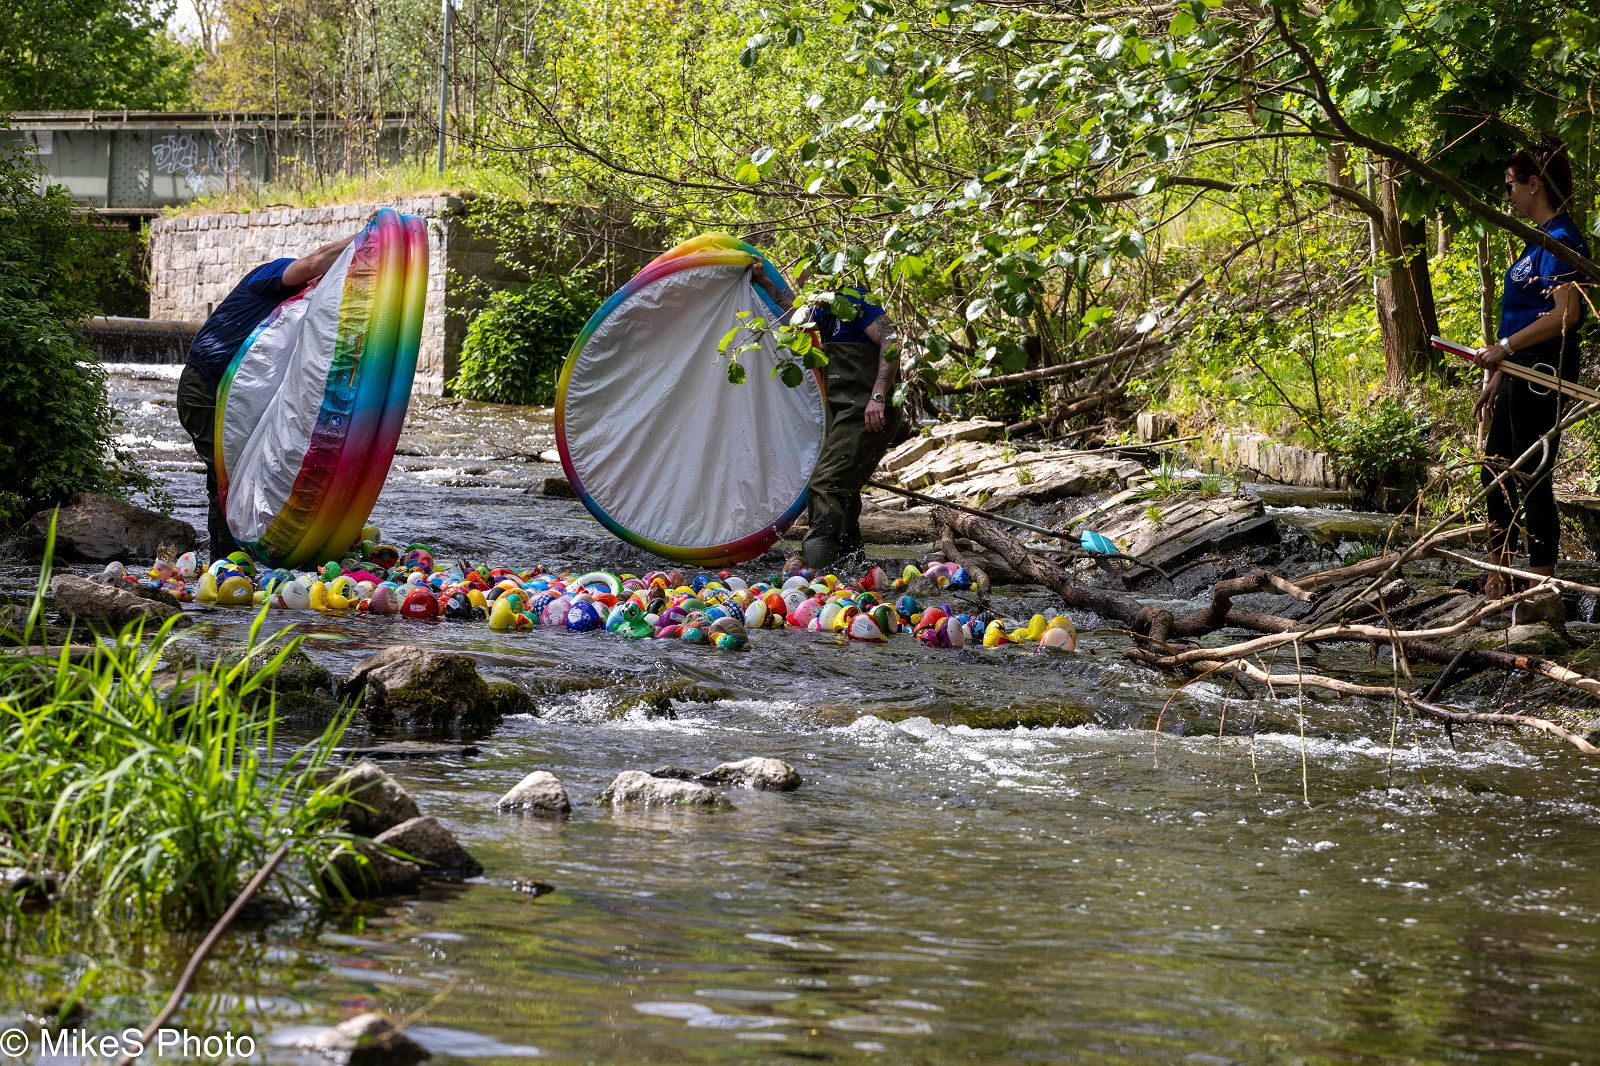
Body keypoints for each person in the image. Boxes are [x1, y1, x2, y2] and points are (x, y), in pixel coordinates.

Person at [177, 233, 357, 560]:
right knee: (228, 478)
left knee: (229, 478)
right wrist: (365, 236)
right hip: (204, 387)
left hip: (236, 402)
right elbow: (314, 260)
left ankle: (225, 562)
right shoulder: (269, 274)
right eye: (321, 280)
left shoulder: (303, 314)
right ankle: (229, 565)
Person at [1472, 137, 1590, 605]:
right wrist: (1500, 373)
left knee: (1531, 475)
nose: (1508, 195)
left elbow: (1566, 315)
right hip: (1520, 371)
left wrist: (1504, 348)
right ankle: (1498, 579)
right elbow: (1523, 317)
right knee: (1496, 471)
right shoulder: (1535, 242)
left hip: (1545, 372)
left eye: (1511, 185)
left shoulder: (1560, 240)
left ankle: (1541, 591)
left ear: (1535, 184)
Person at [750, 261, 905, 570]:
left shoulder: (855, 301)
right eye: (803, 288)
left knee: (826, 484)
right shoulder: (824, 311)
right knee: (844, 489)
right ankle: (852, 567)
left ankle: (818, 572)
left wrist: (877, 395)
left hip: (867, 409)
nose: (806, 294)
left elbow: (891, 341)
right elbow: (794, 317)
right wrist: (765, 281)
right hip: (846, 409)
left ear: (828, 281)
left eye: (810, 286)